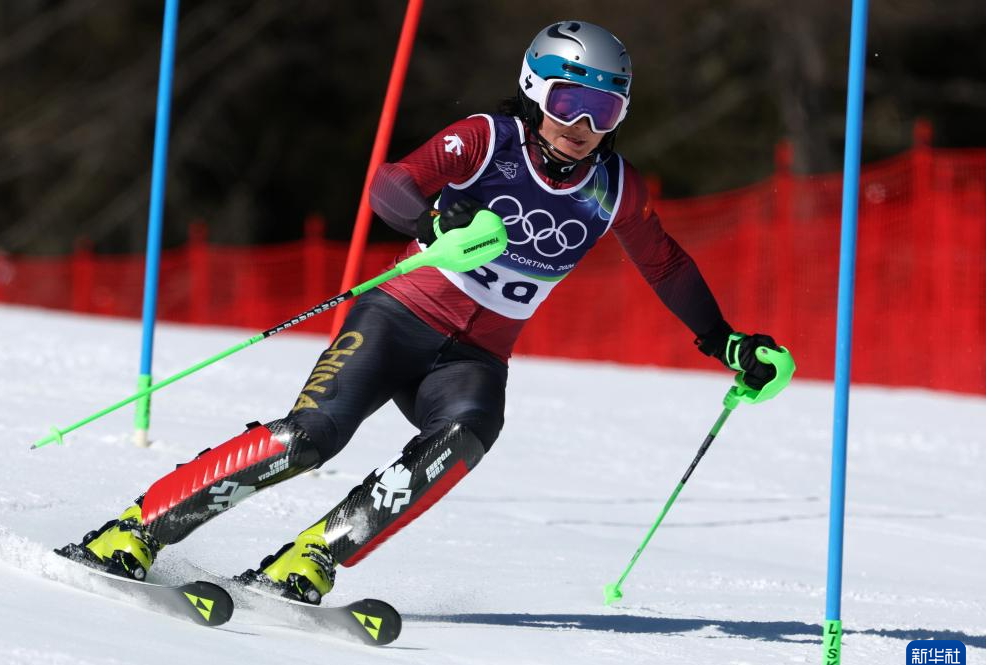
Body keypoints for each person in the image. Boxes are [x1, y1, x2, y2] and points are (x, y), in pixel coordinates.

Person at [58, 20, 790, 604]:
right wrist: (435, 222)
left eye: (605, 110)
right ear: (536, 91)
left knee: (468, 434)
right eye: (570, 102)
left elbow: (664, 263)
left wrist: (723, 341)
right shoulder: (486, 141)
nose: (583, 125)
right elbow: (391, 187)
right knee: (312, 436)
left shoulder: (615, 188)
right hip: (398, 319)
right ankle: (136, 530)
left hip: (475, 356)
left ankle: (312, 557)